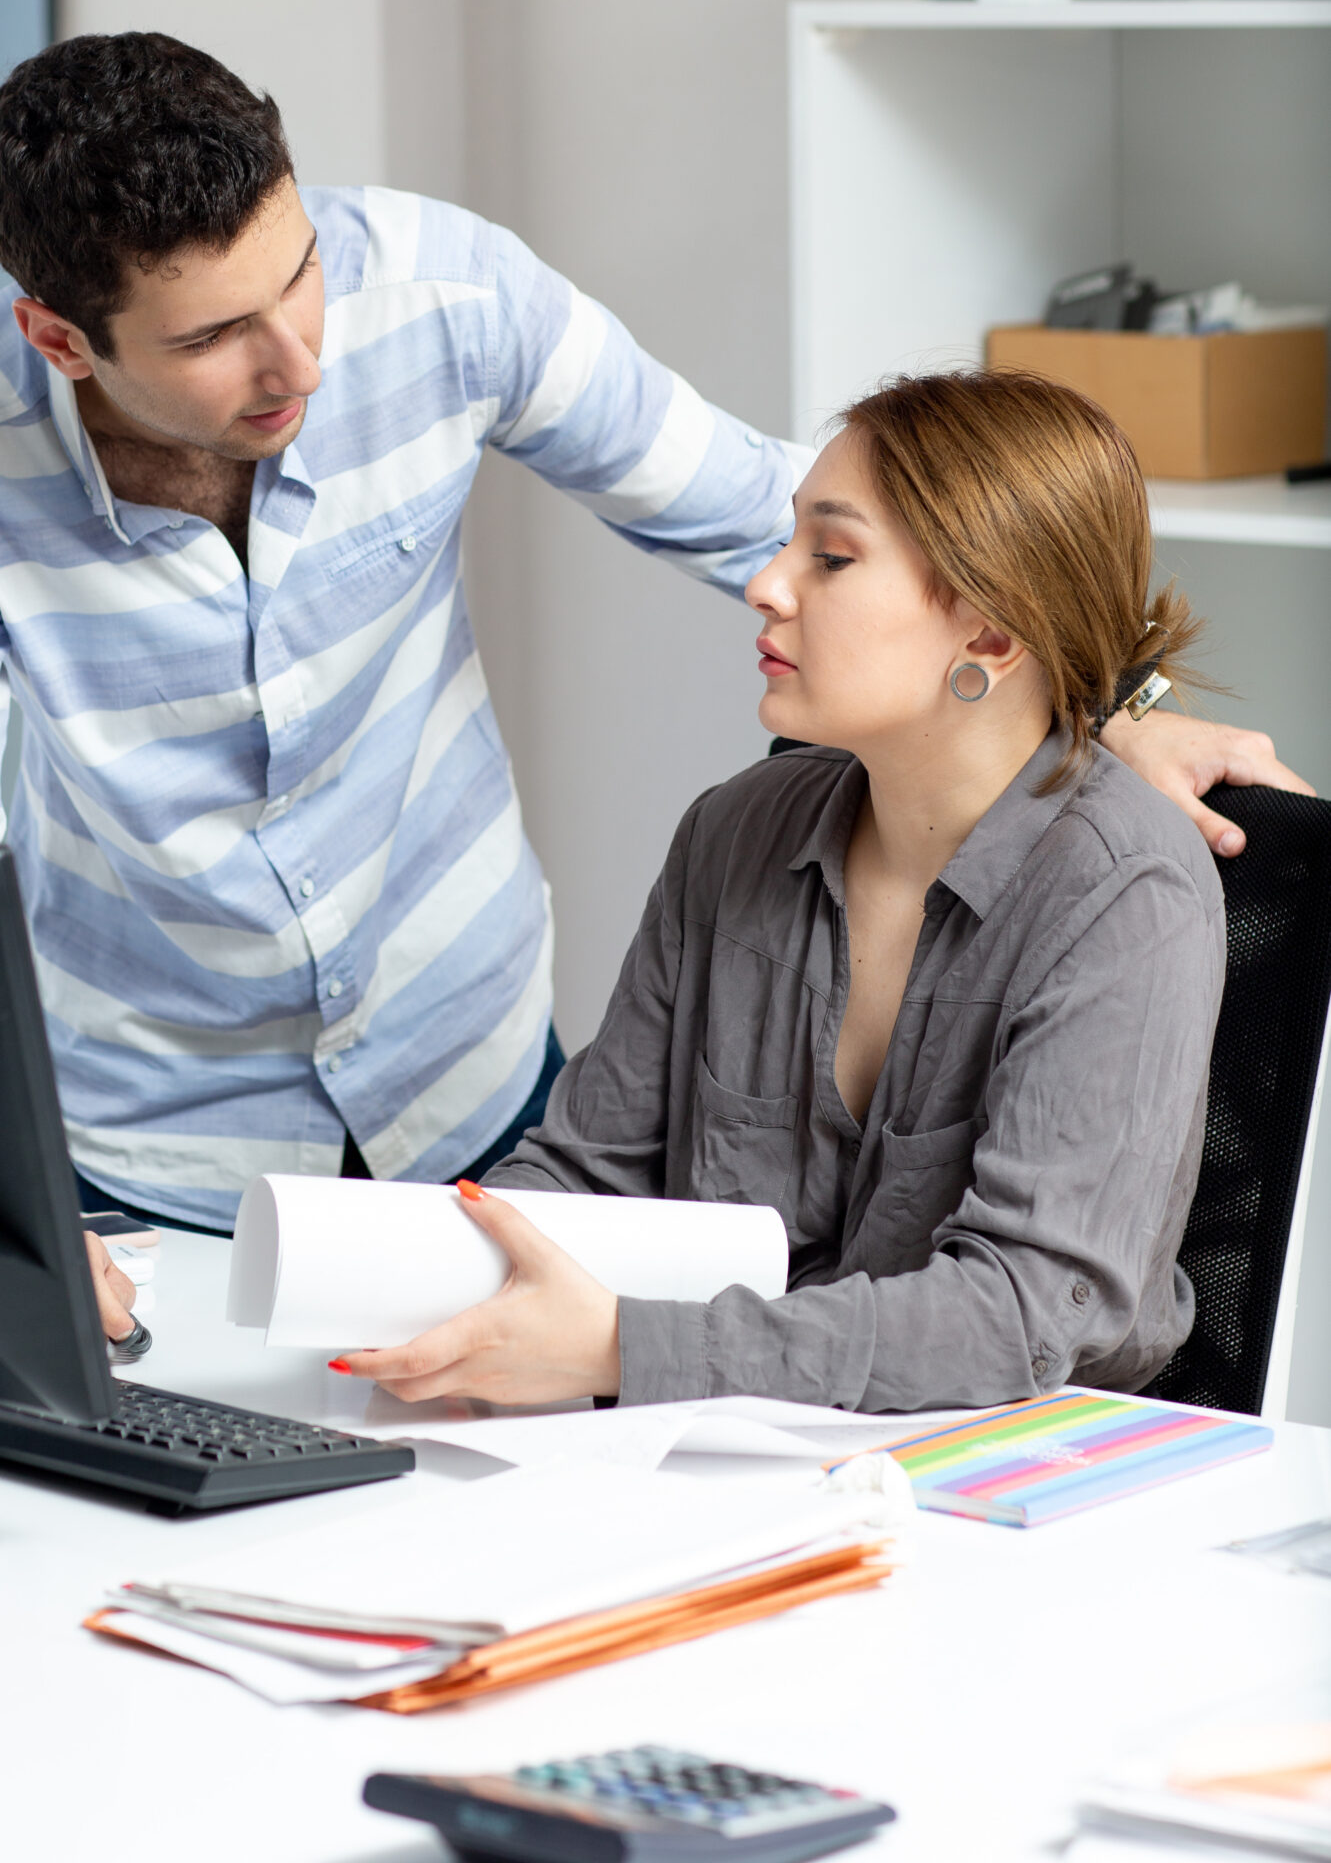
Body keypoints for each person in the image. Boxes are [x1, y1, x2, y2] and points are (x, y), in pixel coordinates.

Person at [0, 34, 1301, 1341]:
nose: (296, 358)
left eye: (299, 276)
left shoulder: (447, 294)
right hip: (149, 1136)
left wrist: (1093, 702)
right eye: (212, 338)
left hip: (465, 1077)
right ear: (59, 336)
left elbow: (782, 510)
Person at [336, 370, 1256, 1414]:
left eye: (831, 556)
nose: (768, 584)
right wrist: (423, 1298)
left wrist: (628, 1351)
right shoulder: (738, 830)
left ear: (990, 637)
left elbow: (1018, 1312)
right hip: (731, 1440)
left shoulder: (1122, 891)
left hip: (1004, 1471)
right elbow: (588, 1171)